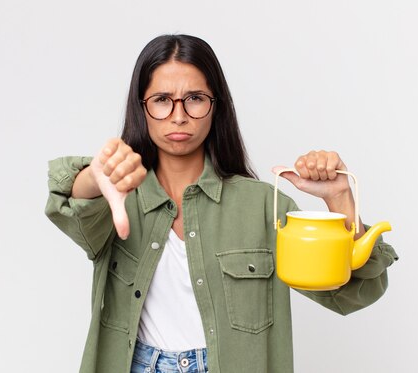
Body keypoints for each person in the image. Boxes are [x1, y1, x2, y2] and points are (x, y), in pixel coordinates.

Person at [45, 34, 398, 373]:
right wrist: (94, 176)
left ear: (216, 106)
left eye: (195, 98)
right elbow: (70, 205)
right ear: (142, 108)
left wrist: (340, 199)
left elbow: (353, 293)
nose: (179, 115)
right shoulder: (115, 201)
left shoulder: (263, 207)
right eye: (162, 100)